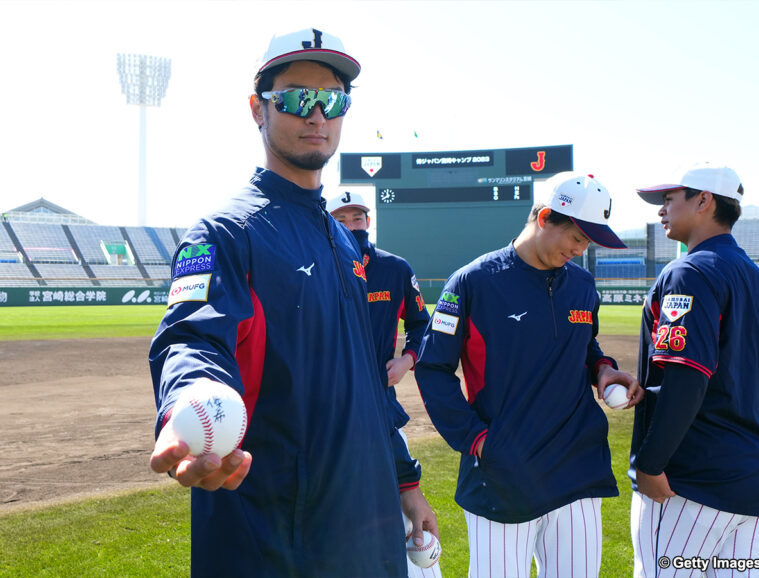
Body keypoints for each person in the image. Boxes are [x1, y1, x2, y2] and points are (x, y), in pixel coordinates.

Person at [149, 28, 416, 577]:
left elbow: (363, 381)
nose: (318, 115)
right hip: (276, 538)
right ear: (258, 109)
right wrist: (192, 397)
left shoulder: (343, 241)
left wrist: (404, 482)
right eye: (297, 98)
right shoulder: (225, 233)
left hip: (367, 528)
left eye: (333, 100)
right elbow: (192, 337)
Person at [415, 172, 642, 578]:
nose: (580, 249)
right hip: (504, 474)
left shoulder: (584, 286)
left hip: (577, 469)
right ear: (545, 218)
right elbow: (433, 369)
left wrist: (603, 369)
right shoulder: (473, 282)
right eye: (576, 236)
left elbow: (583, 346)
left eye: (588, 241)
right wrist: (479, 441)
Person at [629, 162, 759, 577]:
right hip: (756, 487)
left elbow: (687, 377)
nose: (661, 210)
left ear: (704, 201)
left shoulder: (690, 271)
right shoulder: (758, 279)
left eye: (669, 199)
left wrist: (651, 464)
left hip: (691, 485)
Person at [327, 190, 443, 578]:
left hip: (382, 407)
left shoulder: (394, 269)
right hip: (328, 415)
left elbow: (421, 324)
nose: (350, 226)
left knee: (407, 525)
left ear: (368, 222)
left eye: (357, 218)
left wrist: (407, 359)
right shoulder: (317, 267)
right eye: (341, 220)